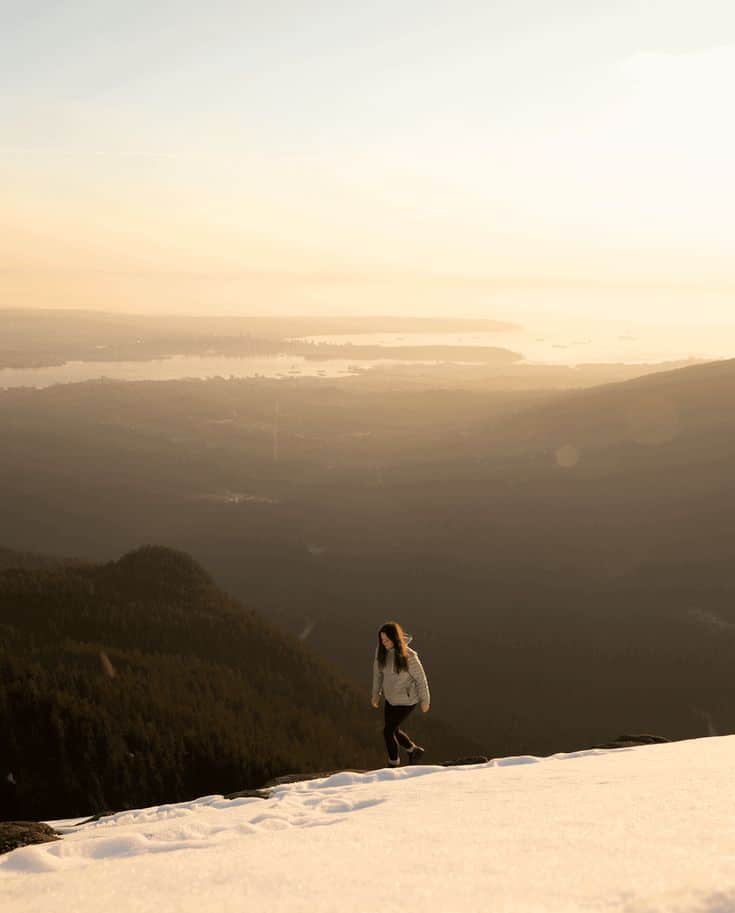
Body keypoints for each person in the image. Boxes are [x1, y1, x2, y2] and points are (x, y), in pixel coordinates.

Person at [371, 621, 430, 767]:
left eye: (386, 640)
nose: (383, 643)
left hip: (406, 701)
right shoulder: (381, 651)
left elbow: (421, 680)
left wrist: (425, 701)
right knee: (394, 730)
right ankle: (413, 750)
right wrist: (376, 694)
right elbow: (377, 674)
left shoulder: (409, 656)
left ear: (395, 638)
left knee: (387, 731)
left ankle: (393, 763)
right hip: (390, 699)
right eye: (381, 640)